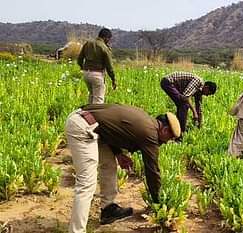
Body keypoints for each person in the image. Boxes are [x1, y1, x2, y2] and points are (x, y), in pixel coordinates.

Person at [65, 104, 181, 233]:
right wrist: (159, 203)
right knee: (86, 184)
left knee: (109, 165)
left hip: (92, 124)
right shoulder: (150, 134)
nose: (164, 143)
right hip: (83, 127)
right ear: (165, 130)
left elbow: (111, 128)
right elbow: (152, 170)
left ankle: (108, 209)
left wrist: (118, 154)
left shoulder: (147, 121)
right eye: (168, 139)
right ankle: (77, 231)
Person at [160, 71, 217, 136]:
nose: (206, 95)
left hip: (173, 85)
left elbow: (199, 108)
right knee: (184, 105)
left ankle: (176, 128)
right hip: (168, 82)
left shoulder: (200, 91)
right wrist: (194, 112)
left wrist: (200, 124)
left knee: (182, 105)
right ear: (206, 87)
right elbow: (186, 96)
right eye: (208, 93)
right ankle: (180, 133)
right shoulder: (197, 82)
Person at [77, 28, 116, 104]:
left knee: (91, 96)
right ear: (105, 38)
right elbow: (109, 67)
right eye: (109, 39)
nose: (109, 41)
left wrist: (83, 68)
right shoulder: (104, 48)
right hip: (97, 75)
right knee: (98, 102)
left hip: (86, 74)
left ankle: (87, 114)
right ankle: (95, 115)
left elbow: (79, 59)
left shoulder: (88, 43)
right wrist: (113, 79)